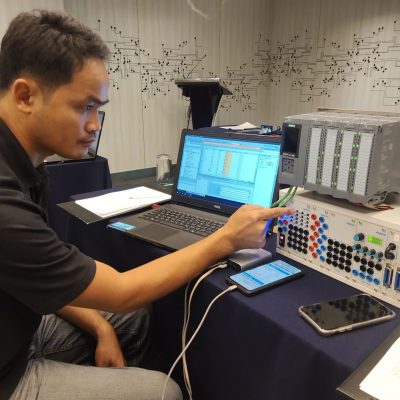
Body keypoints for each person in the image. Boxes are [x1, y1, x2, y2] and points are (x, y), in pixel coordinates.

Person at [0, 9, 290, 400]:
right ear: (25, 96)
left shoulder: (25, 164)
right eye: (84, 107)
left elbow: (46, 277)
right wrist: (226, 238)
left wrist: (103, 327)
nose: (95, 125)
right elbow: (122, 291)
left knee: (130, 319)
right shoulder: (5, 203)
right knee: (163, 392)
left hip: (20, 330)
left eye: (98, 108)